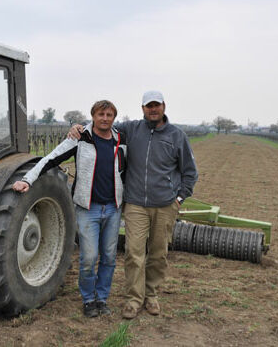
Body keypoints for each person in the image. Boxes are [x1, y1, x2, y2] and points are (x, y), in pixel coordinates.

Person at [68, 91, 198, 319]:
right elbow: (102, 123)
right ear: (143, 109)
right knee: (133, 253)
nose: (153, 109)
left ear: (164, 107)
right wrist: (79, 127)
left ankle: (151, 296)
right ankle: (133, 299)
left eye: (156, 105)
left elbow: (190, 172)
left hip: (165, 205)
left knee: (158, 254)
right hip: (136, 203)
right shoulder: (131, 129)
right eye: (149, 106)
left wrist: (179, 199)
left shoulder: (177, 136)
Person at [13, 100, 126, 318]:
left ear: (114, 117)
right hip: (88, 208)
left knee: (110, 257)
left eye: (109, 114)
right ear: (93, 116)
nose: (105, 118)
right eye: (101, 114)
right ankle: (88, 299)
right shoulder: (80, 138)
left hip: (113, 208)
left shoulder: (121, 140)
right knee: (89, 258)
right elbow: (50, 159)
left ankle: (102, 298)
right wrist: (28, 179)